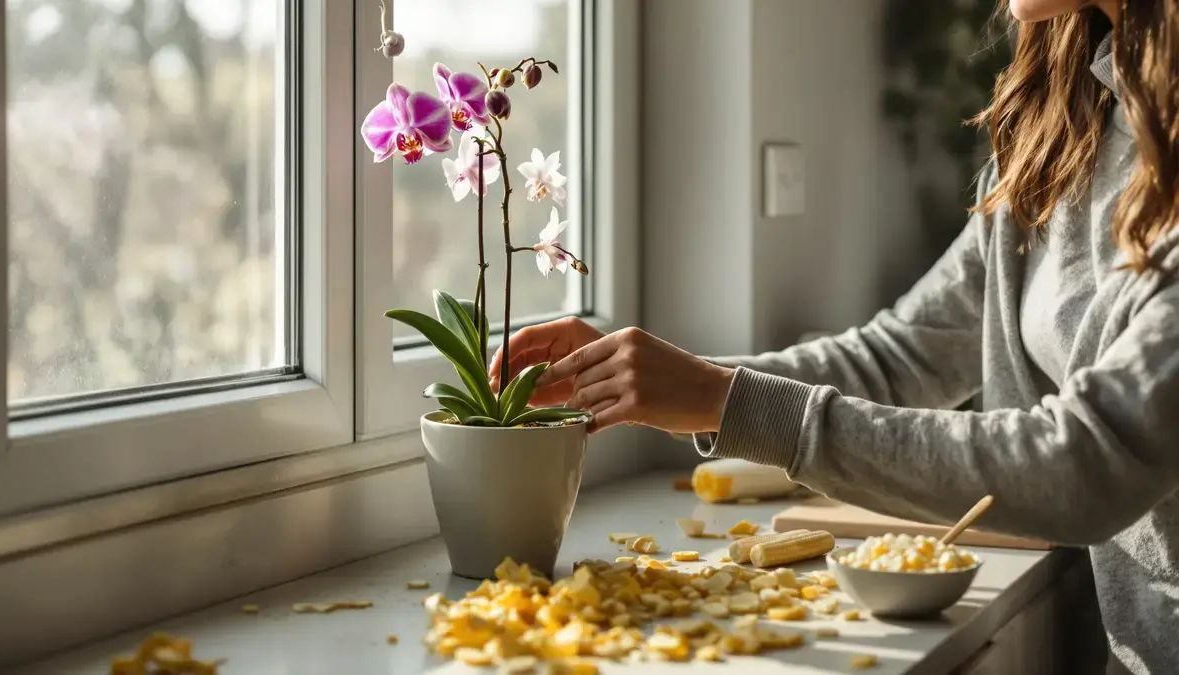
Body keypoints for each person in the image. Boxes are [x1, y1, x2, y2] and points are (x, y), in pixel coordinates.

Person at [490, 0, 1179, 672]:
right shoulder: (1058, 138)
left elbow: (1089, 465)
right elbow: (900, 356)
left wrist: (728, 401)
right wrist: (666, 379)